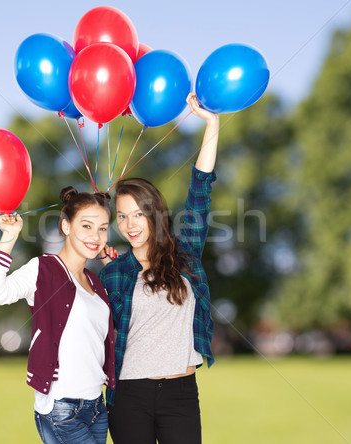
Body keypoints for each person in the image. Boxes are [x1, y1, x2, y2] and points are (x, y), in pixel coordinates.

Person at [98, 93, 219, 444]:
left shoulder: (185, 255)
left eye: (138, 214)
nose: (130, 224)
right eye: (122, 216)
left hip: (180, 393)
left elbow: (200, 191)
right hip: (130, 395)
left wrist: (211, 124)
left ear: (155, 214)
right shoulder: (114, 272)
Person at [0, 187, 116, 444]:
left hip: (97, 407)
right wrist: (9, 236)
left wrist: (116, 267)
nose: (96, 236)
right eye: (86, 226)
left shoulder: (97, 282)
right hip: (62, 408)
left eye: (103, 228)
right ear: (66, 227)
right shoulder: (42, 269)